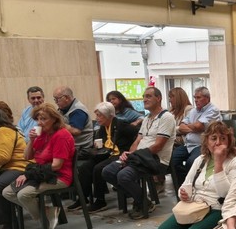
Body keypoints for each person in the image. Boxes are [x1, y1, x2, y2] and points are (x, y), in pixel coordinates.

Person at [102, 87, 176, 219]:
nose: (144, 99)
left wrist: (134, 155)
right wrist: (129, 153)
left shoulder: (167, 117)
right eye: (144, 96)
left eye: (148, 96)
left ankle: (141, 201)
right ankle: (143, 200)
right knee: (108, 171)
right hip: (139, 158)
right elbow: (137, 140)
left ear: (158, 98)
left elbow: (158, 146)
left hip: (155, 160)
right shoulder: (147, 118)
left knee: (124, 176)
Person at [3, 103, 76, 229]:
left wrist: (29, 175)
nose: (39, 122)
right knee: (7, 192)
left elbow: (56, 166)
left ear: (54, 119)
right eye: (37, 119)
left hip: (59, 176)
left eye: (44, 119)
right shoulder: (42, 134)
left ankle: (44, 216)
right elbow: (26, 156)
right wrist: (31, 140)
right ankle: (47, 212)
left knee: (23, 195)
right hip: (41, 173)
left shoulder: (61, 135)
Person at [81, 102, 139, 212]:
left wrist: (130, 149)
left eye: (100, 115)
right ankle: (84, 198)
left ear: (109, 116)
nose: (97, 118)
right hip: (107, 153)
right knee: (86, 166)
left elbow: (136, 133)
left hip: (119, 154)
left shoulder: (121, 125)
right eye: (96, 115)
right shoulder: (103, 127)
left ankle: (100, 200)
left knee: (98, 168)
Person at [170, 86, 221, 186]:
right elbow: (181, 127)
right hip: (188, 145)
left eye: (198, 98)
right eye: (195, 98)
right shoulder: (193, 111)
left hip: (202, 145)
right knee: (172, 160)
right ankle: (182, 187)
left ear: (207, 98)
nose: (196, 100)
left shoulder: (213, 110)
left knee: (192, 162)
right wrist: (194, 128)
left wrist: (194, 127)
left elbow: (199, 126)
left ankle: (193, 187)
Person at [53, 85, 93, 149]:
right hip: (68, 145)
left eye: (57, 99)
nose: (56, 102)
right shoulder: (62, 109)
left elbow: (75, 131)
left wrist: (55, 123)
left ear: (67, 98)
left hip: (81, 149)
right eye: (54, 99)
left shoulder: (78, 110)